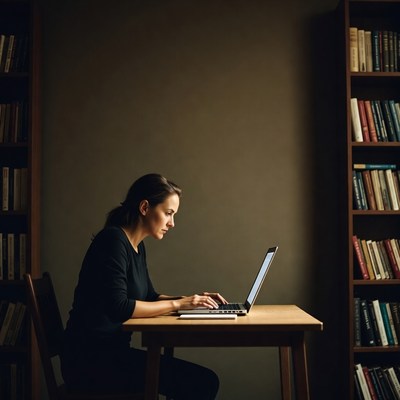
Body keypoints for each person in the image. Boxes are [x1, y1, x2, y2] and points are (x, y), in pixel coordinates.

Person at [60, 173, 228, 400]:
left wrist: (193, 300)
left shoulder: (135, 246)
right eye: (168, 213)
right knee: (203, 382)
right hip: (90, 361)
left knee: (199, 381)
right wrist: (180, 304)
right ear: (145, 207)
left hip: (111, 354)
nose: (172, 223)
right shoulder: (112, 241)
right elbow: (120, 307)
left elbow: (149, 296)